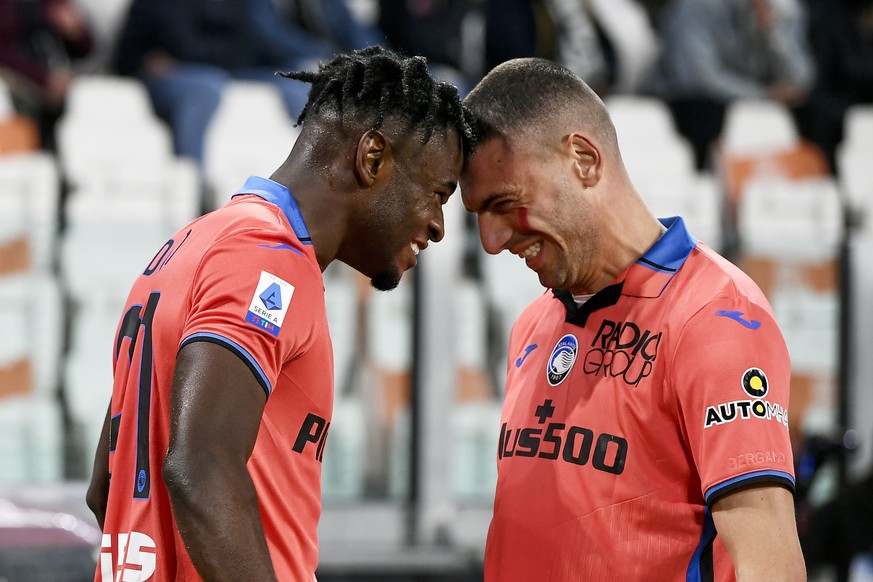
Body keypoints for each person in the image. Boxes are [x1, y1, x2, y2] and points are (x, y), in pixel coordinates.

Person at [85, 46, 476, 581]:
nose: (437, 225)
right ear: (374, 159)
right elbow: (200, 467)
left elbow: (105, 486)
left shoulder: (193, 243)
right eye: (437, 194)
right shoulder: (268, 259)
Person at [459, 58, 805, 581]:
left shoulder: (716, 317)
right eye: (478, 215)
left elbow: (770, 566)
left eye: (505, 203)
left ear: (583, 159)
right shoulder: (532, 325)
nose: (491, 241)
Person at [112, 0, 339, 167]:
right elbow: (184, 46)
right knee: (205, 88)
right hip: (169, 73)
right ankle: (193, 187)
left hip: (226, 68)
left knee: (301, 80)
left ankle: (322, 170)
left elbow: (255, 41)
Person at [645, 0, 815, 169]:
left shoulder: (784, 9)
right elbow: (697, 78)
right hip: (686, 103)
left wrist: (772, 32)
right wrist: (763, 96)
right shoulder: (695, 7)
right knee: (706, 111)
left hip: (746, 103)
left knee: (813, 113)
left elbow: (800, 82)